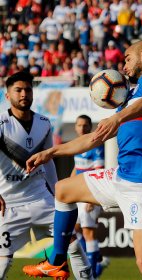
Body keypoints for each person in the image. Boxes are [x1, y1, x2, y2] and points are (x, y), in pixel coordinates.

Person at [23, 39, 142, 280]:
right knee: (63, 189)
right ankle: (57, 261)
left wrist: (117, 118)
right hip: (122, 175)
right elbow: (92, 139)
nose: (123, 65)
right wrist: (49, 153)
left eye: (127, 58)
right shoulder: (131, 99)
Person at [0, 71, 92, 280]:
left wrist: (57, 194)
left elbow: (48, 160)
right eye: (18, 90)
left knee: (74, 245)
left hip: (41, 198)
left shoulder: (44, 123)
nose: (24, 94)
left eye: (28, 90)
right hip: (9, 204)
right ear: (8, 96)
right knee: (3, 262)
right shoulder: (1, 123)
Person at [71, 115, 108, 278]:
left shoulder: (96, 144)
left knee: (88, 233)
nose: (82, 128)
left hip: (90, 195)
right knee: (75, 229)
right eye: (79, 125)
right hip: (78, 193)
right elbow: (77, 168)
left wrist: (92, 198)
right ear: (75, 127)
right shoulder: (78, 144)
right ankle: (97, 260)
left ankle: (92, 271)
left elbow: (99, 171)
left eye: (85, 125)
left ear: (90, 126)